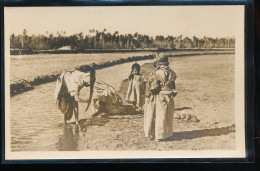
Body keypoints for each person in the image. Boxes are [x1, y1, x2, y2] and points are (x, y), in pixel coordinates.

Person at [144, 52, 177, 141]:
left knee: (158, 115)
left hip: (159, 95)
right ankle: (166, 134)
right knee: (166, 115)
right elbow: (173, 85)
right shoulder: (171, 72)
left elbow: (154, 87)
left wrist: (148, 94)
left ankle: (157, 136)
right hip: (169, 94)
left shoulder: (156, 72)